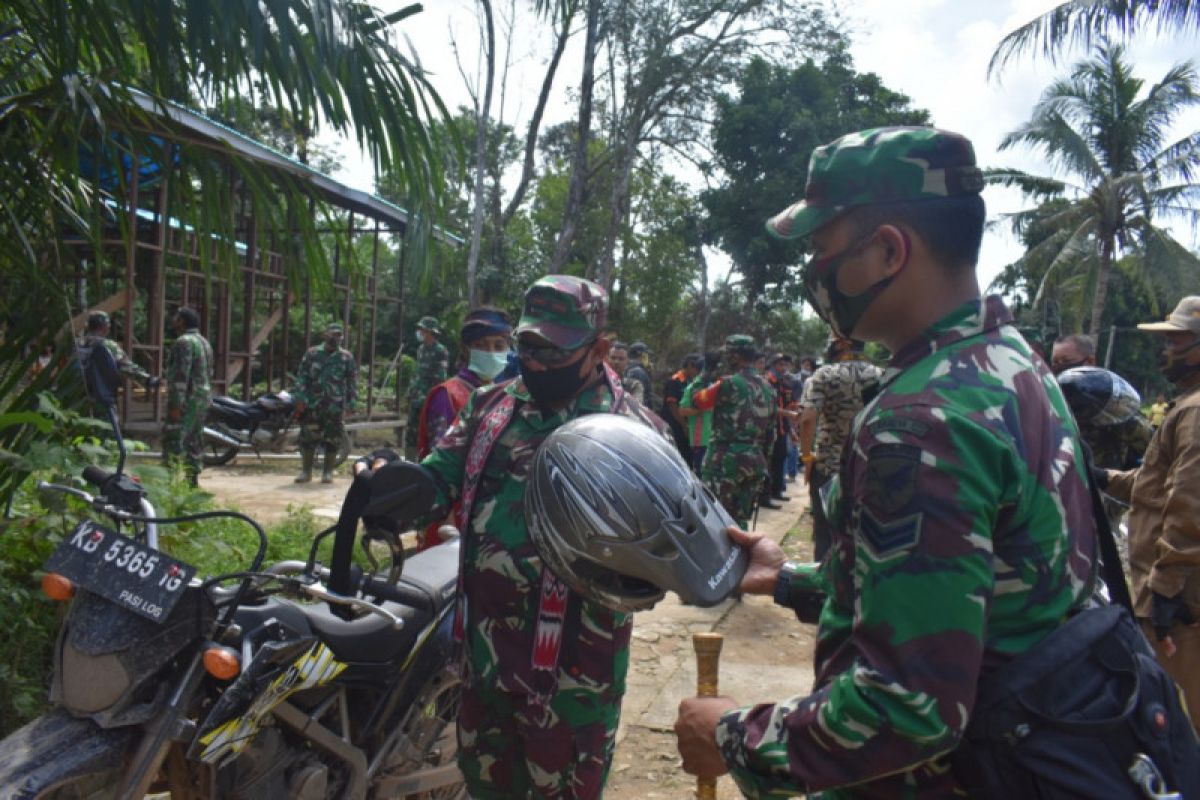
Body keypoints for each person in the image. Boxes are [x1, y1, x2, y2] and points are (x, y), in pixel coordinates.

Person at [674, 126, 1097, 797]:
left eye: (820, 250)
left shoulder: (922, 418)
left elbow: (909, 708)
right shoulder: (1011, 364)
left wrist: (736, 736)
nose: (814, 274)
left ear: (889, 251)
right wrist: (792, 582)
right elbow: (975, 586)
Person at [418, 275, 669, 799]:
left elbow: (665, 556)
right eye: (527, 346)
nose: (533, 363)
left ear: (599, 348)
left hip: (572, 681)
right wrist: (389, 482)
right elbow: (436, 477)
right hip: (485, 663)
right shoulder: (491, 407)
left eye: (552, 352)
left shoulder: (634, 434)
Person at [1098, 296, 1200, 730]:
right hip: (1177, 588)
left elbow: (1190, 505)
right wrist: (1103, 477)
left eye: (1177, 341)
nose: (1167, 351)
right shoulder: (1187, 405)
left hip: (1180, 599)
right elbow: (1159, 487)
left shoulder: (1195, 410)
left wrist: (1165, 589)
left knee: (1180, 714)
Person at [415, 307, 512, 549]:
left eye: (499, 346)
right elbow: (441, 466)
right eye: (482, 345)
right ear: (466, 349)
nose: (492, 352)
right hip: (450, 523)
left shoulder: (505, 395)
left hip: (487, 519)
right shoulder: (449, 395)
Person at [798, 335, 882, 560]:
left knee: (826, 534)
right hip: (869, 466)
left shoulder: (824, 375)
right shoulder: (881, 375)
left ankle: (824, 589)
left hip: (828, 467)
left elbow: (807, 418)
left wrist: (806, 458)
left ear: (842, 344)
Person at [689, 334, 774, 528]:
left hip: (726, 461)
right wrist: (765, 461)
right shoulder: (768, 387)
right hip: (755, 459)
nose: (726, 358)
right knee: (740, 519)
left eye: (728, 354)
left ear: (735, 356)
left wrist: (705, 372)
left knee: (719, 517)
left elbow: (695, 400)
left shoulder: (727, 384)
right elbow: (771, 430)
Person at [292, 322, 358, 484]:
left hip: (334, 406)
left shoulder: (346, 357)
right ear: (325, 335)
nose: (334, 338)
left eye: (338, 335)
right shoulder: (312, 354)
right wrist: (300, 398)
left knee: (333, 439)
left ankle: (327, 472)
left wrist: (351, 405)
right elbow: (302, 377)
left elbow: (352, 382)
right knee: (308, 438)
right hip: (312, 405)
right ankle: (306, 471)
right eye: (332, 334)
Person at [162, 307, 213, 485]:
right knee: (195, 440)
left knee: (174, 438)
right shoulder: (204, 342)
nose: (173, 320)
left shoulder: (183, 342)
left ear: (182, 321)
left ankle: (168, 482)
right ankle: (192, 480)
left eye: (176, 317)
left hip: (187, 400)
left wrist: (176, 403)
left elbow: (180, 376)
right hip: (202, 399)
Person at [80, 310, 159, 389]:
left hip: (77, 396)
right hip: (102, 394)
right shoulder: (108, 345)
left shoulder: (78, 345)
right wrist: (148, 378)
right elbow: (126, 366)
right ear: (104, 327)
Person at [407, 316, 449, 449]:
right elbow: (417, 373)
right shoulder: (421, 349)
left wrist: (433, 398)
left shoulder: (440, 351)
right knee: (411, 432)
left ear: (430, 331)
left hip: (428, 398)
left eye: (422, 329)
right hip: (416, 397)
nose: (419, 332)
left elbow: (440, 378)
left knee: (427, 432)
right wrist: (410, 392)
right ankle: (409, 462)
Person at [680, 351, 719, 474]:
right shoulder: (693, 387)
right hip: (700, 439)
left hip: (713, 439)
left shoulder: (713, 386)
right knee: (700, 473)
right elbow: (682, 411)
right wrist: (700, 409)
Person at [764, 353, 795, 502]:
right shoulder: (767, 381)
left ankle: (776, 491)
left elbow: (789, 405)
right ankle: (765, 495)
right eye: (780, 365)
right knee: (769, 461)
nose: (783, 368)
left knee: (780, 458)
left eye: (785, 365)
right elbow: (770, 408)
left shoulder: (785, 382)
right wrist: (789, 413)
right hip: (769, 428)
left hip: (782, 428)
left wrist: (792, 430)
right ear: (774, 365)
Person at [661, 352, 703, 463]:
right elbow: (672, 406)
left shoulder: (691, 382)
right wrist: (684, 426)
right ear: (689, 366)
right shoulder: (675, 381)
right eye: (697, 369)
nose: (698, 372)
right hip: (674, 425)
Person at [626, 342, 653, 408]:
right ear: (642, 355)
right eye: (647, 355)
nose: (648, 358)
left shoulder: (630, 367)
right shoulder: (637, 371)